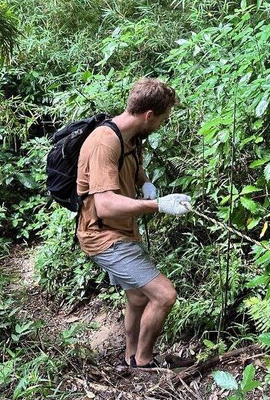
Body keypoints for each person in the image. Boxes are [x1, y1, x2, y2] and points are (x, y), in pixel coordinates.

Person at [76, 78, 192, 369]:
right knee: (165, 295)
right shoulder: (105, 141)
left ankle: (130, 356)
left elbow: (132, 169)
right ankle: (144, 361)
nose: (162, 126)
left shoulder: (131, 136)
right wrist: (158, 205)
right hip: (103, 235)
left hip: (123, 229)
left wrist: (147, 183)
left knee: (138, 296)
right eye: (163, 119)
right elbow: (105, 204)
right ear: (149, 115)